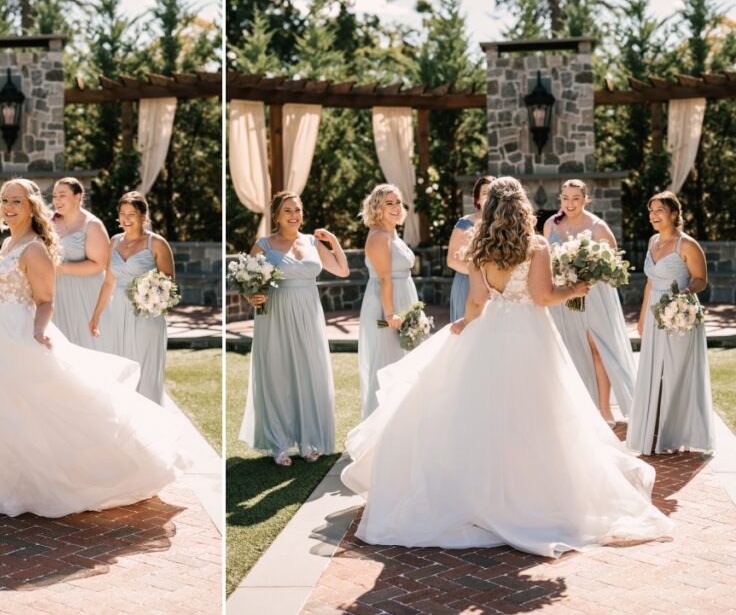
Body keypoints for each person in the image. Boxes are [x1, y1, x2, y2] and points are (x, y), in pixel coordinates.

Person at [342, 177, 672, 557]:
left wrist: (465, 324)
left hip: (490, 332)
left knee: (484, 414)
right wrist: (574, 291)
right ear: (522, 207)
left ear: (492, 208)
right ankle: (533, 493)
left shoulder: (479, 248)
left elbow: (477, 302)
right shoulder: (536, 246)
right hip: (531, 335)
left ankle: (482, 497)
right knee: (539, 414)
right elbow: (543, 297)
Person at [0, 179, 189, 517]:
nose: (8, 206)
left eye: (16, 200)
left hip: (20, 335)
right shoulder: (7, 244)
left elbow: (45, 300)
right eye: (4, 200)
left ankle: (58, 477)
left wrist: (37, 329)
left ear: (31, 206)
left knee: (37, 405)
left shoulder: (34, 248)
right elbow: (2, 291)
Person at [239, 191, 349, 466]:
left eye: (297, 209)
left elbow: (342, 270)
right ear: (276, 215)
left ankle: (309, 439)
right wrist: (250, 297)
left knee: (310, 372)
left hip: (309, 315)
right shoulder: (263, 245)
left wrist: (333, 241)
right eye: (287, 210)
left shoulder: (312, 242)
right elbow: (245, 282)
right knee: (278, 375)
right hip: (275, 314)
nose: (294, 215)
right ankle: (279, 444)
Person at [627, 191, 714, 455]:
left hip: (680, 314)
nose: (653, 216)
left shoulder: (687, 244)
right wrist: (642, 318)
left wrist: (685, 294)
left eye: (659, 211)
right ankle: (653, 430)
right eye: (651, 211)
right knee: (654, 371)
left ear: (674, 213)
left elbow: (701, 279)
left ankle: (677, 433)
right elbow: (650, 283)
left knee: (678, 371)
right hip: (655, 313)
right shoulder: (653, 241)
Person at [543, 179, 636, 425]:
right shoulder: (550, 225)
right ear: (560, 199)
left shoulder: (598, 226)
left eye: (576, 198)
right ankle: (576, 410)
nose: (570, 203)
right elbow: (545, 263)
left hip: (593, 297)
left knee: (597, 348)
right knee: (569, 349)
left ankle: (604, 409)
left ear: (585, 199)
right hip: (563, 297)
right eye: (565, 198)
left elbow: (615, 268)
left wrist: (588, 273)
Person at [89, 192, 174, 403]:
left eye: (132, 214)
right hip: (116, 312)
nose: (126, 219)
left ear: (143, 216)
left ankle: (149, 419)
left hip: (146, 314)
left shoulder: (157, 244)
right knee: (120, 366)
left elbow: (169, 285)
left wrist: (150, 298)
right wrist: (96, 315)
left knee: (144, 366)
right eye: (122, 214)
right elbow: (109, 281)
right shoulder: (114, 241)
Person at [357, 184, 418, 418]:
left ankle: (401, 423)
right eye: (388, 203)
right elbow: (384, 279)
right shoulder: (379, 237)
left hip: (404, 299)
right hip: (386, 306)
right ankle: (378, 427)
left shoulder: (393, 233)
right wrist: (390, 314)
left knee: (404, 364)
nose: (395, 207)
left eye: (397, 202)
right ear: (377, 207)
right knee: (387, 364)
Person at [52, 178, 110, 349]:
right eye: (54, 196)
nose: (57, 200)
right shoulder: (49, 222)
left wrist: (63, 269)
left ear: (78, 196)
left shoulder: (92, 225)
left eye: (62, 195)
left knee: (87, 345)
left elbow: (100, 264)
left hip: (86, 293)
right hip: (56, 293)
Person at [447, 176, 493, 323]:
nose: (490, 196)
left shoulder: (502, 223)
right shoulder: (465, 223)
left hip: (495, 286)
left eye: (493, 192)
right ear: (478, 199)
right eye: (485, 193)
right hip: (468, 284)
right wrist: (479, 276)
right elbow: (451, 261)